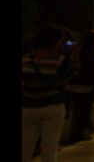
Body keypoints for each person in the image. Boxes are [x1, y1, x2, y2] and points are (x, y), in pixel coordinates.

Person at [22, 25, 72, 162]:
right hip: (52, 106)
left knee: (24, 148)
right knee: (50, 149)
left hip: (27, 106)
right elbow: (64, 83)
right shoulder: (60, 60)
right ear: (56, 41)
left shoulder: (25, 60)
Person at [66, 30, 94, 142]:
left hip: (73, 84)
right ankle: (80, 132)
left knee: (76, 111)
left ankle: (77, 132)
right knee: (84, 111)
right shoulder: (92, 54)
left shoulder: (78, 51)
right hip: (86, 85)